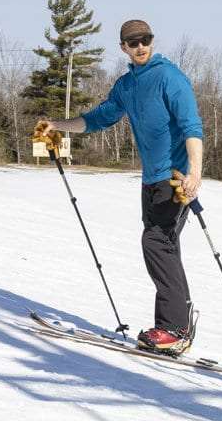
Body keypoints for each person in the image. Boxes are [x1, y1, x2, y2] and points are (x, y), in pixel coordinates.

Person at [34, 19, 203, 356]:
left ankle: (175, 329)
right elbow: (99, 118)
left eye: (145, 40)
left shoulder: (170, 77)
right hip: (150, 180)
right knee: (163, 246)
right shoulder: (127, 85)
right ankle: (173, 326)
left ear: (152, 42)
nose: (140, 47)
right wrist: (58, 125)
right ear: (123, 47)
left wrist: (194, 173)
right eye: (133, 42)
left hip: (175, 178)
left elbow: (191, 126)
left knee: (156, 242)